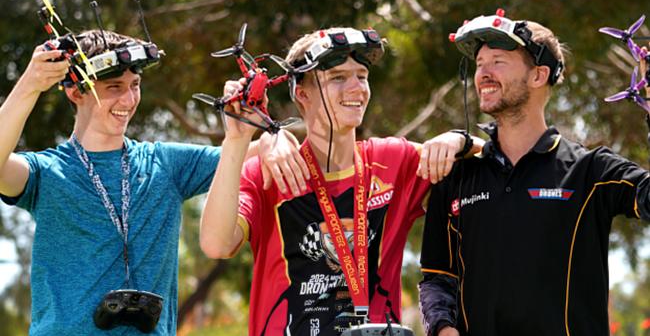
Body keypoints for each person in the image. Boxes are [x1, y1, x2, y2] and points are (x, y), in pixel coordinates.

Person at [0, 29, 307, 335]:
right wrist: (30, 85)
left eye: (135, 85)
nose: (129, 98)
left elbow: (243, 152)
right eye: (114, 86)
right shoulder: (47, 172)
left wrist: (273, 136)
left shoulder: (165, 163)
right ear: (76, 91)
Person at [199, 27, 480, 335]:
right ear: (301, 93)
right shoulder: (268, 173)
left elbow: (496, 166)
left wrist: (459, 140)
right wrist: (237, 140)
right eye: (337, 78)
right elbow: (216, 244)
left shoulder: (393, 161)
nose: (356, 88)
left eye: (361, 75)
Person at [418, 13, 650, 336]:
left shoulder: (590, 171)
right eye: (479, 63)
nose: (482, 73)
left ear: (539, 75)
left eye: (498, 61)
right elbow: (436, 280)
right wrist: (443, 330)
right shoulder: (455, 174)